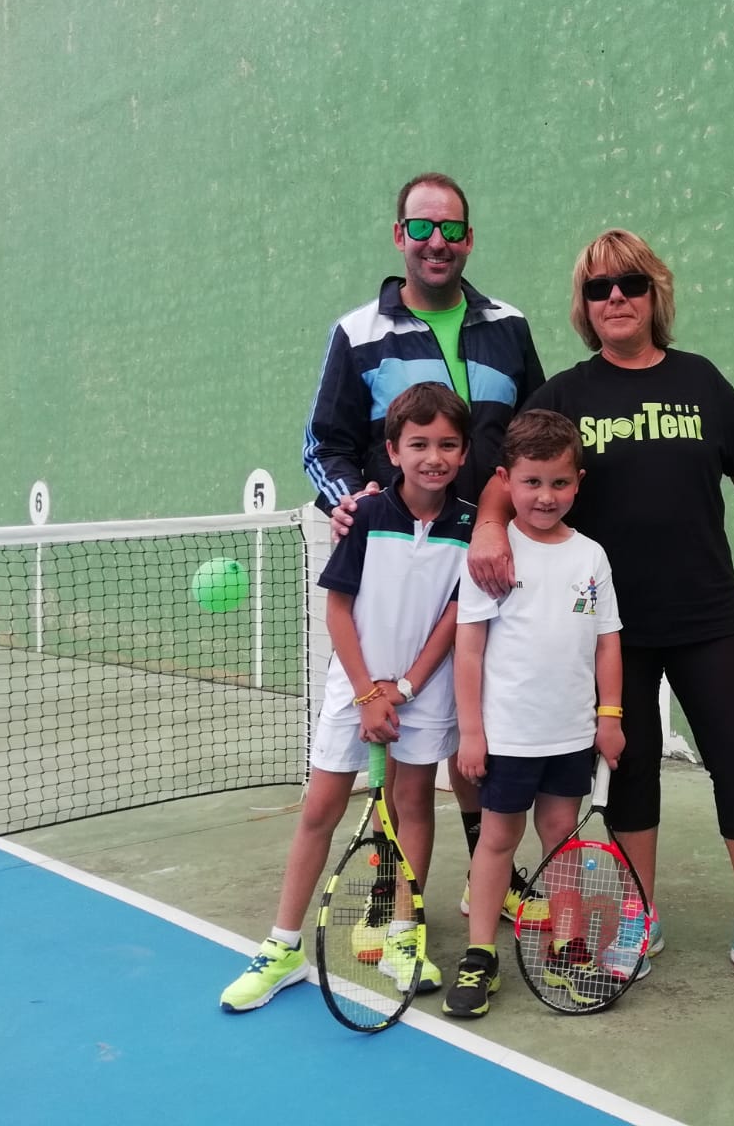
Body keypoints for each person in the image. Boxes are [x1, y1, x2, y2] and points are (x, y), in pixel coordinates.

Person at [466, 229, 734, 995]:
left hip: (706, 612)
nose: (615, 298)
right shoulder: (565, 394)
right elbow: (509, 475)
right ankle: (640, 915)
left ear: (654, 293)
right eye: (598, 288)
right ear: (584, 305)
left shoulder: (700, 379)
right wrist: (488, 527)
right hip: (611, 629)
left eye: (630, 283)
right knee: (630, 769)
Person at [301, 171, 545, 920]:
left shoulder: (509, 326)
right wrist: (351, 502)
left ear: (468, 238)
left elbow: (534, 437)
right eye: (422, 227)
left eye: (451, 229)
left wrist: (506, 520)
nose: (437, 241)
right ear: (399, 235)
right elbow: (323, 443)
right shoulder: (357, 333)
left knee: (479, 728)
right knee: (399, 752)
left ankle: (490, 878)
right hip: (399, 578)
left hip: (493, 563)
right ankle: (390, 892)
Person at [220, 383, 475, 1011]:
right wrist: (367, 693)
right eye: (418, 444)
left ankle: (402, 936)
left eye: (447, 445)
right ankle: (283, 946)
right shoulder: (362, 515)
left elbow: (453, 617)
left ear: (465, 453)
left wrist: (405, 687)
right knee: (320, 808)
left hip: (424, 690)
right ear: (392, 450)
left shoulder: (470, 525)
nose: (433, 457)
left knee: (414, 805)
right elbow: (338, 608)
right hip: (353, 686)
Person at [442, 411, 624, 1018]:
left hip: (571, 735)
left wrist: (609, 717)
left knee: (562, 841)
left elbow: (607, 642)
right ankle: (479, 955)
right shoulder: (491, 556)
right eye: (532, 482)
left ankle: (568, 949)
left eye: (559, 483)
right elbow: (469, 650)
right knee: (498, 839)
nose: (546, 496)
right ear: (506, 481)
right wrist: (472, 732)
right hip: (508, 738)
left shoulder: (591, 556)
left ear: (578, 482)